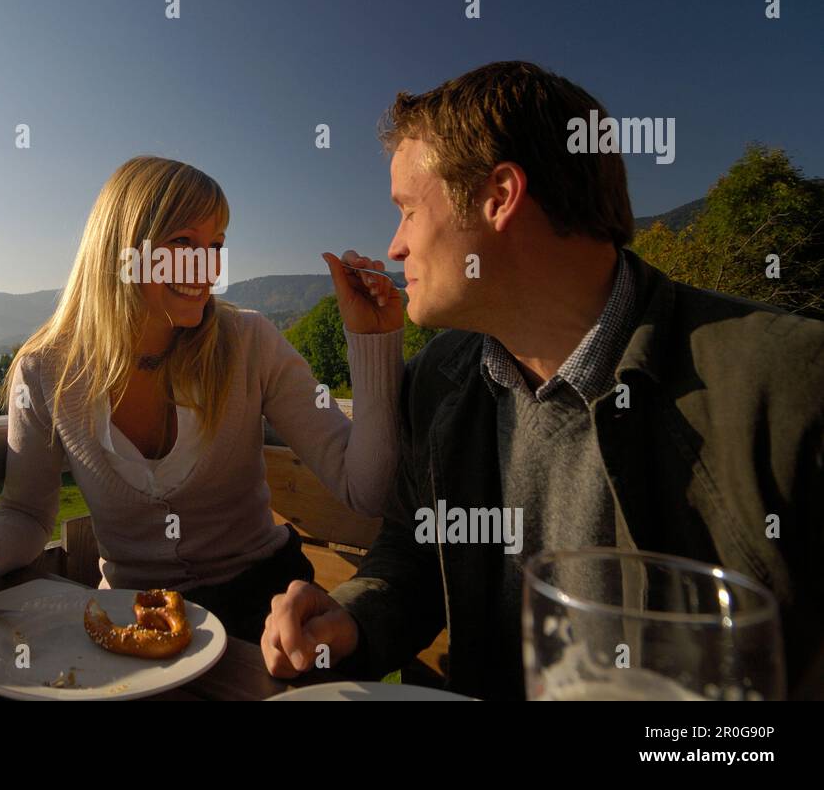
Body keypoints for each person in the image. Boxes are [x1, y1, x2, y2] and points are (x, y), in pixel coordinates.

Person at [261, 60, 824, 699]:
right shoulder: (438, 384)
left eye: (409, 211)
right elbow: (417, 557)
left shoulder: (791, 387)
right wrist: (354, 619)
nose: (393, 247)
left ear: (499, 197)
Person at [0, 155, 404, 641]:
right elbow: (27, 514)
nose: (206, 268)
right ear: (121, 250)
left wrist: (373, 342)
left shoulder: (250, 341)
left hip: (267, 615)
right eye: (182, 242)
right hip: (133, 619)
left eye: (216, 245)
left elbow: (364, 489)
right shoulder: (44, 370)